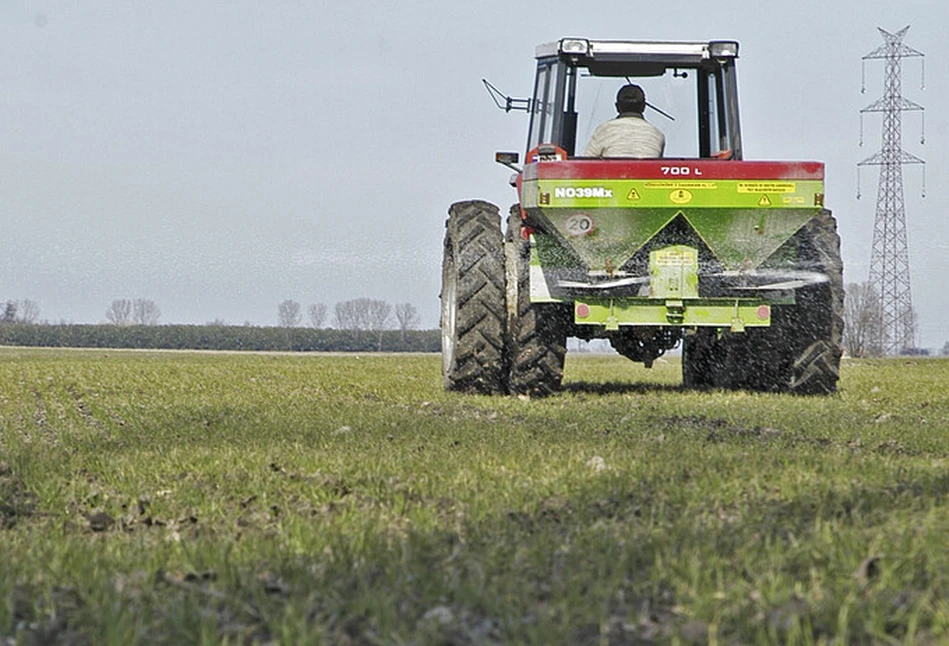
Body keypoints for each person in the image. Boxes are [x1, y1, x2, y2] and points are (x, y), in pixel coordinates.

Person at [583, 84, 665, 158]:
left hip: (611, 174)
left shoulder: (604, 130)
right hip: (646, 175)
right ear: (643, 107)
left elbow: (586, 163)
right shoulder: (657, 135)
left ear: (617, 107)